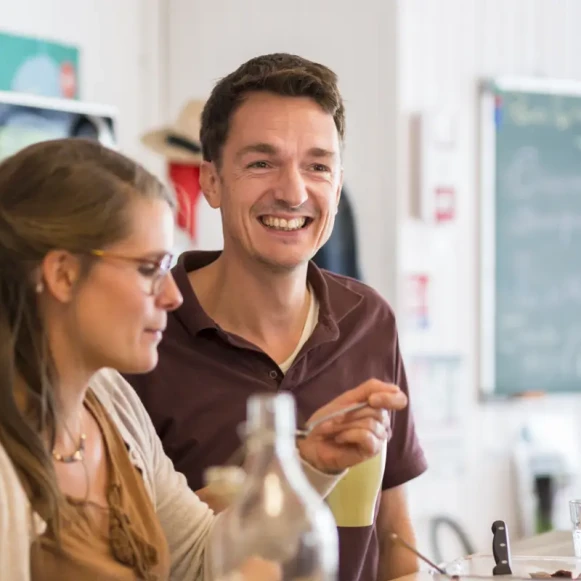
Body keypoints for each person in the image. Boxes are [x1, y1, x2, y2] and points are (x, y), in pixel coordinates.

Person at [0, 138, 406, 580]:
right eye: (148, 268)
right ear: (63, 274)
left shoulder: (110, 403)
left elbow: (197, 557)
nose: (172, 294)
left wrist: (309, 463)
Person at [124, 53, 428, 581]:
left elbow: (395, 539)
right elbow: (136, 549)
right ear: (212, 182)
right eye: (262, 162)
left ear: (337, 185)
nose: (293, 192)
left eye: (317, 166)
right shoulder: (143, 327)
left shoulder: (369, 321)